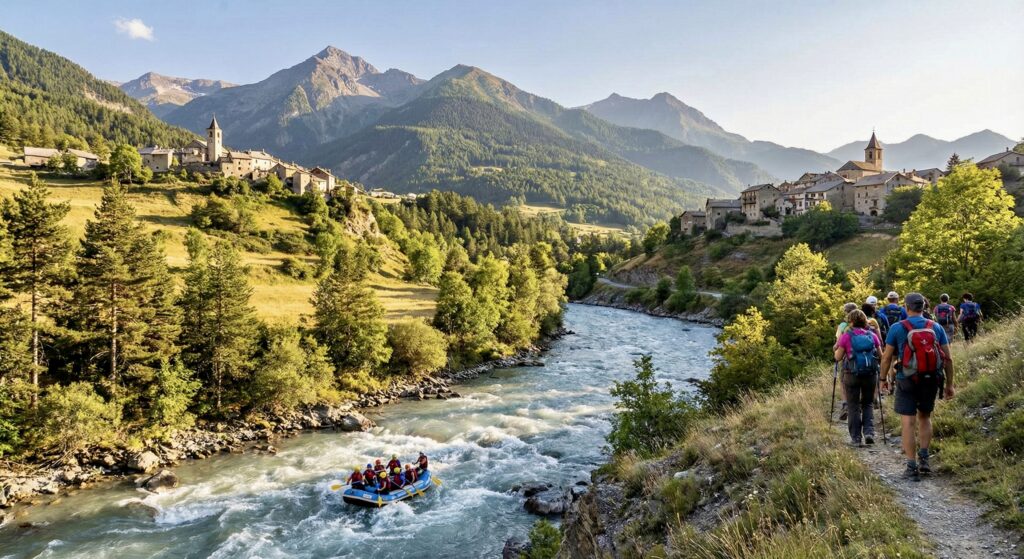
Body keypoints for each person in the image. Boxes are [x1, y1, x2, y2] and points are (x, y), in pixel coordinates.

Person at [880, 293, 955, 481]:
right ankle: (924, 459)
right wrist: (950, 384)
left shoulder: (897, 328)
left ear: (906, 307)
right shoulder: (935, 327)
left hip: (906, 379)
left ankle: (911, 466)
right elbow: (948, 358)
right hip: (931, 378)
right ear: (923, 307)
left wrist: (882, 379)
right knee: (925, 416)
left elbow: (887, 357)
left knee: (908, 421)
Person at [834, 309, 882, 446]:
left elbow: (838, 357)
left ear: (851, 321)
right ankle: (868, 432)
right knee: (868, 403)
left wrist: (836, 350)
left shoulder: (847, 336)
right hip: (870, 374)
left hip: (851, 374)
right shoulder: (872, 335)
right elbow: (881, 356)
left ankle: (856, 438)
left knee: (853, 405)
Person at [834, 302, 858, 421]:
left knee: (843, 381)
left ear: (846, 312)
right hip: (865, 361)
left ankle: (845, 404)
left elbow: (838, 343)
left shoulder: (843, 326)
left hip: (848, 359)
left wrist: (835, 349)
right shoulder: (865, 324)